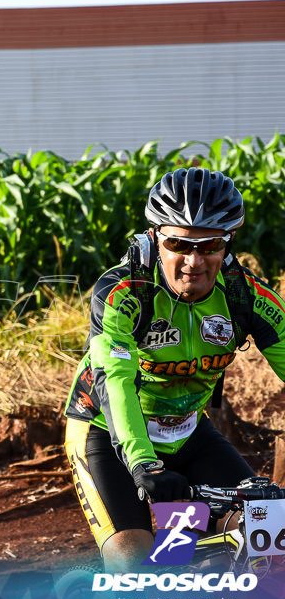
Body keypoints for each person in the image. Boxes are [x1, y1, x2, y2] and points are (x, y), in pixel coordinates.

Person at [63, 167, 285, 572]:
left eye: (210, 244)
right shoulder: (124, 291)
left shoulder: (244, 295)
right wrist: (144, 465)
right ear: (154, 239)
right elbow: (117, 382)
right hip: (107, 432)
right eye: (178, 243)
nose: (193, 261)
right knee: (134, 564)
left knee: (266, 536)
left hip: (185, 430)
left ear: (228, 244)